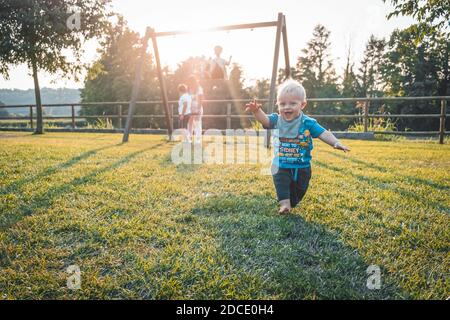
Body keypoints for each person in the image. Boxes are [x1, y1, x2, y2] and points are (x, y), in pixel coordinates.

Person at [245, 79, 350, 214]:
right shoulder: (276, 120)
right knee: (281, 185)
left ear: (302, 105)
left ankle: (292, 201)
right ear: (278, 105)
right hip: (280, 164)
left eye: (292, 103)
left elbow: (323, 133)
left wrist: (336, 143)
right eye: (282, 104)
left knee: (299, 191)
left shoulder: (308, 123)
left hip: (302, 166)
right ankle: (284, 205)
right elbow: (264, 120)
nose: (287, 107)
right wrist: (256, 111)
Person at [187, 75, 204, 144]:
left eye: (191, 82)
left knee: (197, 123)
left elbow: (200, 99)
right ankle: (189, 138)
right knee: (190, 123)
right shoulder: (188, 89)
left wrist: (198, 109)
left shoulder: (199, 88)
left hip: (197, 107)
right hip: (190, 108)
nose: (190, 84)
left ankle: (198, 139)